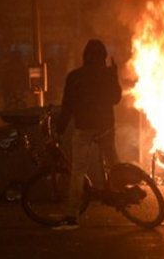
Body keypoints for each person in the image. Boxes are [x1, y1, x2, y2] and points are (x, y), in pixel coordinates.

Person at [53, 39, 122, 230]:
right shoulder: (107, 74)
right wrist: (114, 75)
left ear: (85, 57)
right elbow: (116, 99)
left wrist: (59, 131)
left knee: (78, 171)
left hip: (83, 129)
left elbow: (66, 107)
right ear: (103, 56)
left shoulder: (74, 76)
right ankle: (122, 193)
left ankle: (72, 215)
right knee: (112, 160)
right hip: (106, 127)